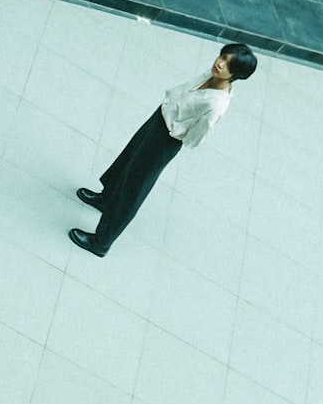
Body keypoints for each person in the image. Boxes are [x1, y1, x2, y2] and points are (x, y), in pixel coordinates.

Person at [69, 44, 257, 257]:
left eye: (227, 64)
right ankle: (107, 197)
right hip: (160, 117)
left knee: (135, 186)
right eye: (223, 56)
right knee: (128, 158)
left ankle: (101, 242)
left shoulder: (216, 104)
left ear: (236, 75)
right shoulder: (212, 74)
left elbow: (197, 136)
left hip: (167, 138)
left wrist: (176, 134)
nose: (219, 63)